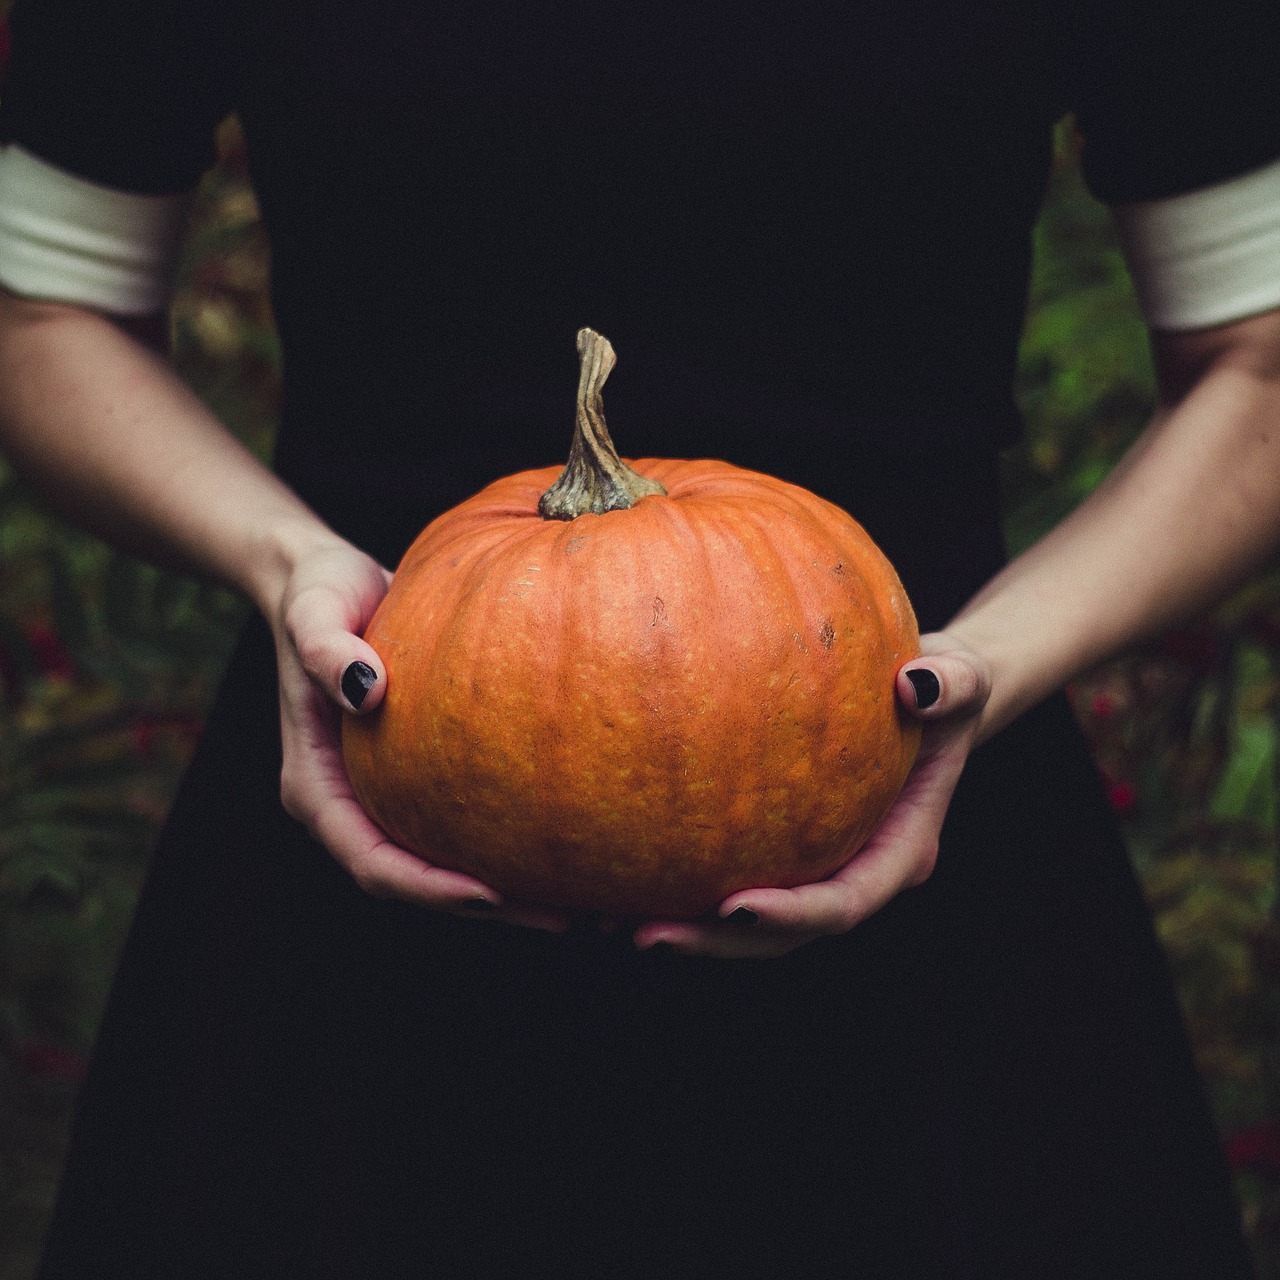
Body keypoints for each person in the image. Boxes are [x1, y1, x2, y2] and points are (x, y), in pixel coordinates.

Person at [1, 0, 1278, 1274]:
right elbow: (44, 316)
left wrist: (985, 662)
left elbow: (1255, 365)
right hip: (371, 757)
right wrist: (285, 561)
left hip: (916, 780)